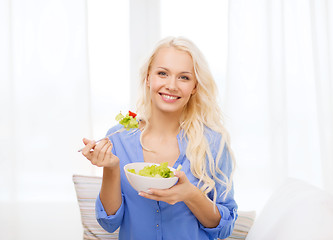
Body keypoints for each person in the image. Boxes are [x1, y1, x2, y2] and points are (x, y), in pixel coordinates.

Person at [81, 36, 238, 240]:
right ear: (148, 78)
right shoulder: (118, 137)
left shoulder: (213, 143)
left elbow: (224, 228)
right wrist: (111, 168)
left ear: (195, 87)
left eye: (184, 77)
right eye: (162, 73)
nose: (171, 85)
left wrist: (190, 194)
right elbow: (109, 222)